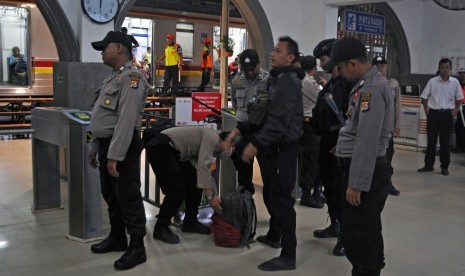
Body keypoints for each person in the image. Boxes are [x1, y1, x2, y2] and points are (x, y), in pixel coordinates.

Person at [331, 37, 393, 276]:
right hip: (367, 170)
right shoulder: (367, 84)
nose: (339, 73)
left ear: (353, 63)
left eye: (340, 67)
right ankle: (372, 267)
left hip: (366, 174)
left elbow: (367, 141)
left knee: (357, 235)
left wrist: (356, 184)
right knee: (368, 228)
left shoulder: (371, 90)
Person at [88, 31, 149, 270]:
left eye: (105, 47)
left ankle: (137, 247)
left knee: (128, 197)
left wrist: (115, 156)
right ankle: (117, 237)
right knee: (111, 196)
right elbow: (97, 117)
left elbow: (126, 121)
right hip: (105, 145)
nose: (102, 51)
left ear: (120, 48)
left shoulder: (132, 78)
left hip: (121, 146)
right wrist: (94, 144)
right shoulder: (112, 78)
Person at [242, 36, 303, 271]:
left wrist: (255, 144)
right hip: (273, 148)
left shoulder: (287, 82)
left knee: (283, 201)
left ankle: (289, 255)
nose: (273, 53)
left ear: (290, 57)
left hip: (284, 148)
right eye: (274, 49)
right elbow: (264, 112)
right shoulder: (276, 79)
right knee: (271, 193)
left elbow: (278, 121)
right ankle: (275, 235)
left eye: (279, 51)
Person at [144, 126, 232, 244]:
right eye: (231, 147)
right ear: (226, 142)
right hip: (161, 147)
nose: (229, 152)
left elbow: (205, 174)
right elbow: (203, 167)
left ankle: (190, 221)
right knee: (176, 190)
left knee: (193, 179)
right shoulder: (213, 138)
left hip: (172, 151)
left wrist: (214, 196)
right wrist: (210, 197)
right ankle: (161, 227)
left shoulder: (212, 141)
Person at [312, 38, 354, 257]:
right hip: (326, 143)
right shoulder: (329, 84)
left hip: (341, 145)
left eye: (324, 59)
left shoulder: (349, 85)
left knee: (340, 189)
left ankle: (346, 236)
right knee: (329, 186)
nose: (321, 63)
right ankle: (335, 223)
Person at [227, 49, 270, 194]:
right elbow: (234, 104)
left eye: (252, 69)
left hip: (262, 133)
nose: (250, 73)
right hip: (243, 133)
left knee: (268, 173)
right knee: (244, 176)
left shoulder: (268, 79)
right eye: (246, 70)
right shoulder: (236, 80)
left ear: (259, 64)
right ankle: (246, 209)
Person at [417, 58, 463, 175]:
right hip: (433, 114)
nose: (444, 70)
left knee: (445, 142)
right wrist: (427, 112)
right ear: (439, 68)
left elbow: (459, 99)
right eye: (442, 67)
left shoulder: (455, 83)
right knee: (431, 141)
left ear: (450, 69)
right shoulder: (432, 81)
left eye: (447, 67)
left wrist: (454, 111)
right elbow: (424, 98)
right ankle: (428, 165)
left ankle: (444, 167)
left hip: (447, 115)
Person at [372, 56, 402, 196]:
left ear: (387, 66)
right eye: (377, 65)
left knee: (387, 157)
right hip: (372, 128)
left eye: (382, 65)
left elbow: (397, 106)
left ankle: (387, 183)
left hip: (386, 130)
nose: (380, 68)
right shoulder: (368, 83)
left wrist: (397, 125)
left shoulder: (393, 84)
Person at [297, 55, 322, 208]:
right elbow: (322, 98)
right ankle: (307, 195)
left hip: (303, 124)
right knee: (310, 161)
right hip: (309, 125)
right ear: (315, 67)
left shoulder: (299, 79)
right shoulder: (308, 81)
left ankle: (310, 192)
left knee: (307, 161)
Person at [451, 66, 465, 153]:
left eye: (464, 73)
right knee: (458, 126)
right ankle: (459, 145)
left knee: (463, 127)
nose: (463, 75)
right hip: (459, 107)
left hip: (464, 107)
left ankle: (463, 146)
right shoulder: (457, 84)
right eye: (461, 73)